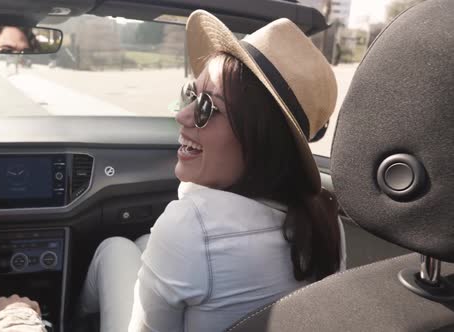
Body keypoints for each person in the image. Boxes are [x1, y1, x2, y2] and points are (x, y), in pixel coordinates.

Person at [77, 9, 345, 332]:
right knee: (143, 244)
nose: (183, 116)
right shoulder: (327, 221)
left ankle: (66, 317)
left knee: (115, 248)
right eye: (191, 95)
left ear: (259, 140)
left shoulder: (189, 227)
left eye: (207, 107)